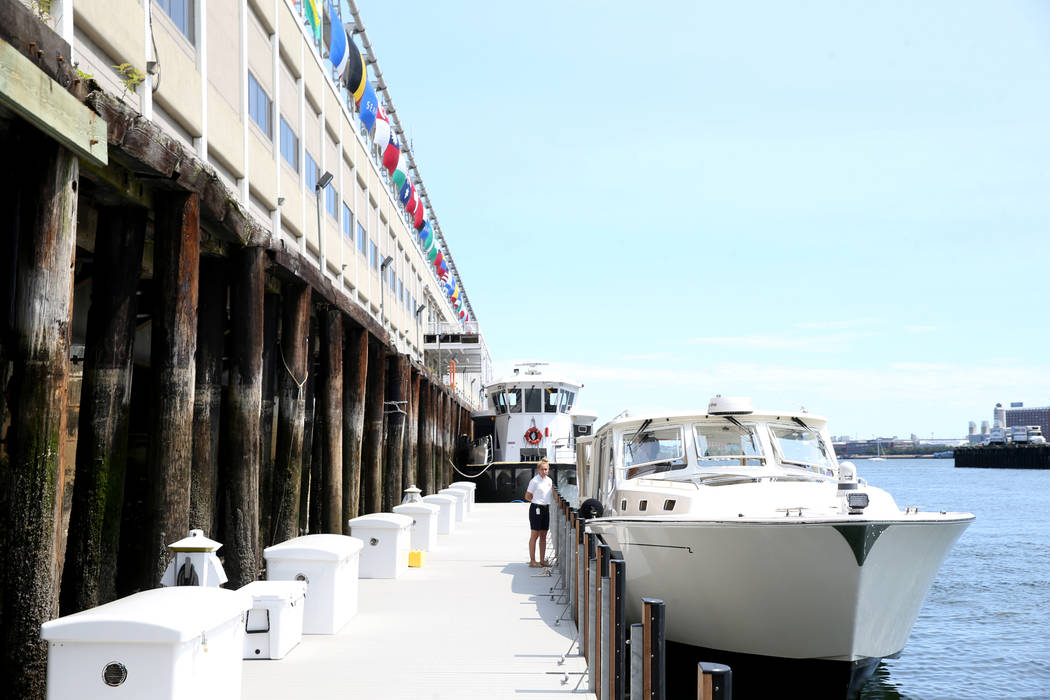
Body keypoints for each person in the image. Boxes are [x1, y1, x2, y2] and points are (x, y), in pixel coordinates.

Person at [524, 457, 553, 568]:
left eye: (546, 469)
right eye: (542, 469)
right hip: (536, 509)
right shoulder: (534, 481)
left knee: (543, 535)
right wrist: (536, 502)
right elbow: (527, 496)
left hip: (546, 509)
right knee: (534, 535)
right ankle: (532, 560)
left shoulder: (549, 481)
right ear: (538, 470)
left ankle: (542, 560)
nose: (544, 471)